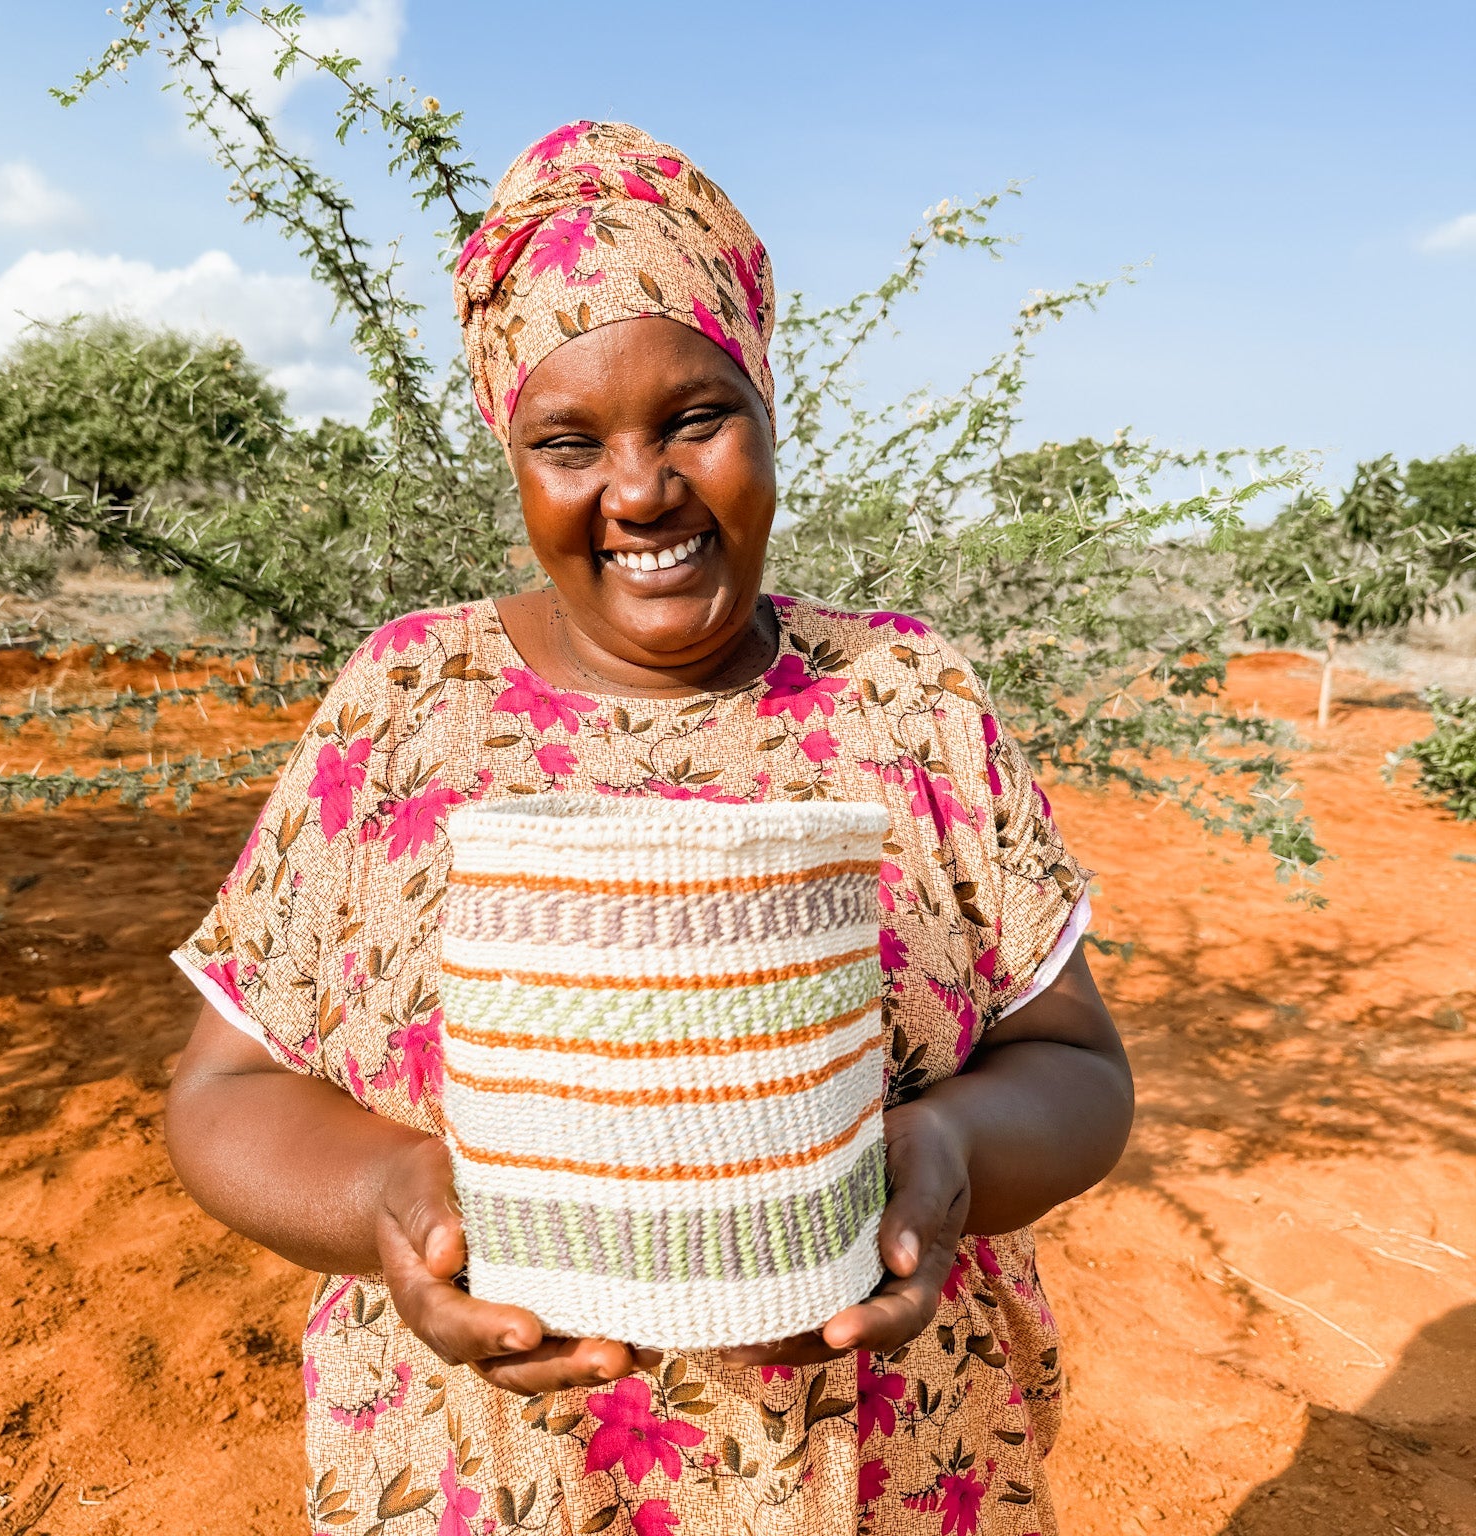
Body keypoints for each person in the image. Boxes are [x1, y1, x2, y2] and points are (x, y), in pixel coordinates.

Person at [165, 121, 1134, 1536]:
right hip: (493, 1476)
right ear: (516, 456)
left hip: (879, 1474)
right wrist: (389, 1196)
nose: (639, 491)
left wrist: (953, 1157)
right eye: (570, 442)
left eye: (694, 418)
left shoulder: (909, 699)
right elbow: (221, 1096)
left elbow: (1078, 1066)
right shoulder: (404, 705)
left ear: (768, 409)